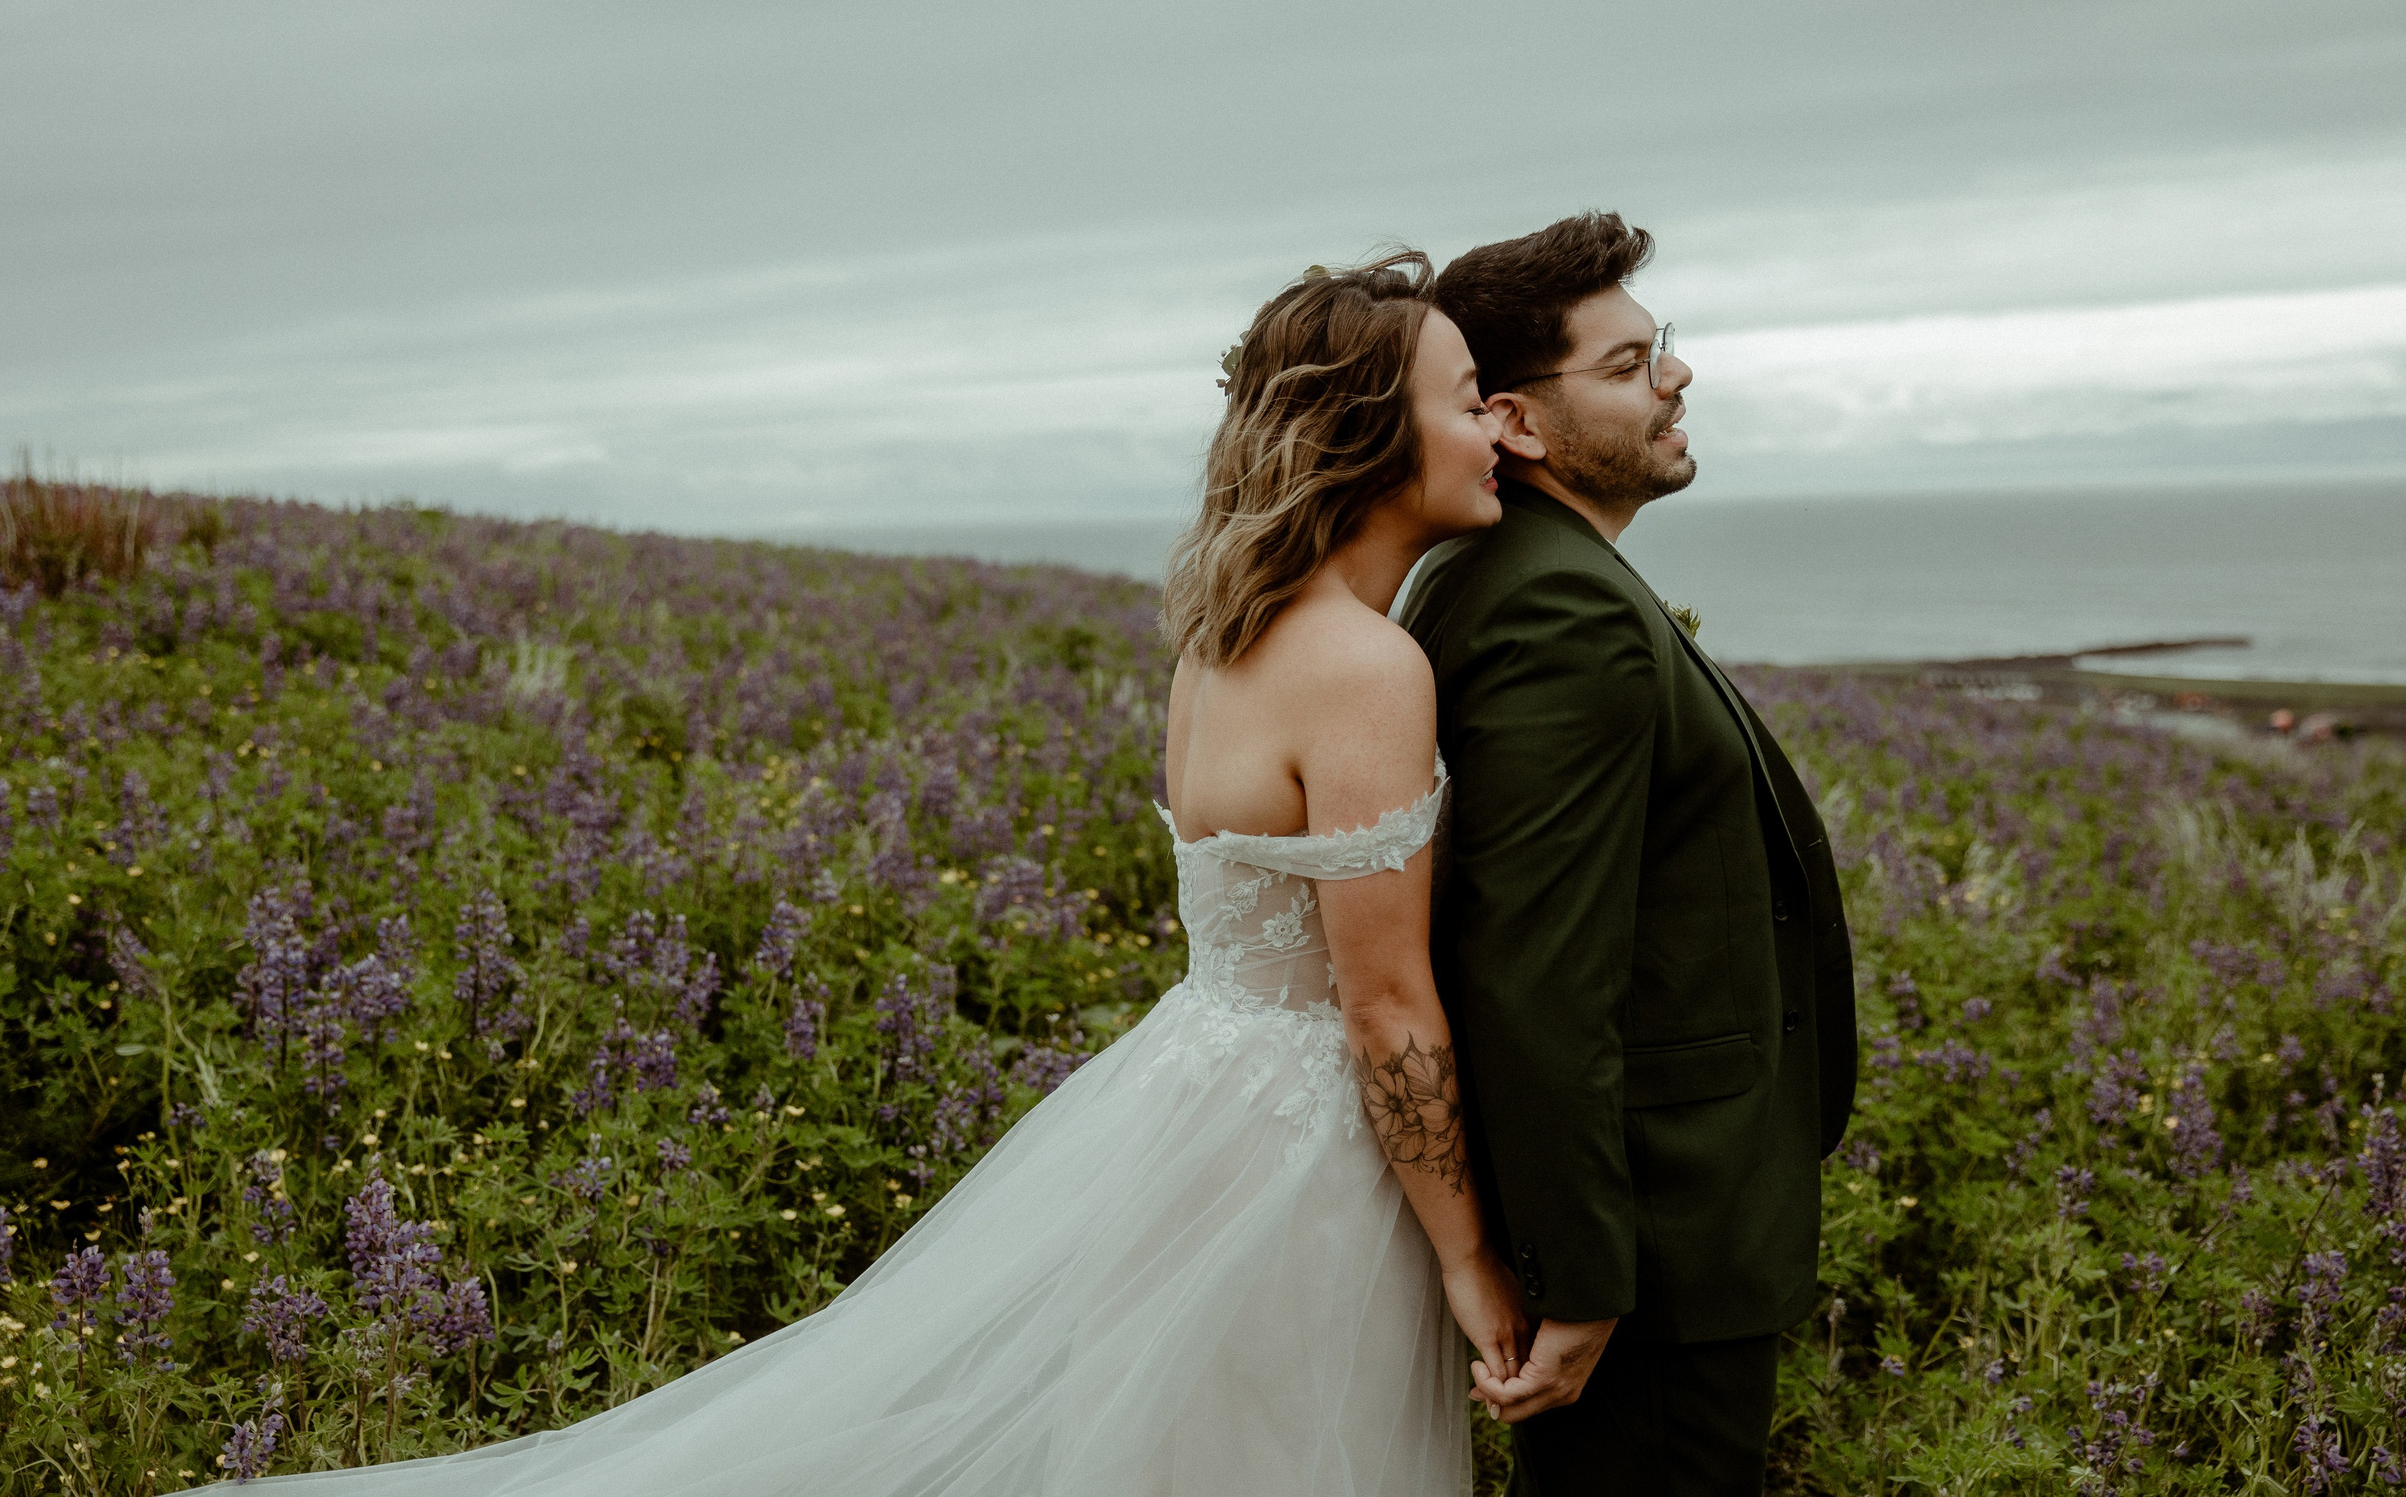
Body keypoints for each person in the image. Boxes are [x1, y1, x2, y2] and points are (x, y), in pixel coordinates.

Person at [200, 251, 1525, 1495]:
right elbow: (1380, 1003)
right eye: (1470, 401)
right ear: (1371, 433)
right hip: (1300, 1163)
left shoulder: (1220, 643)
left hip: (1190, 1112)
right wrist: (1470, 1256)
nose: (1500, 428)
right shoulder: (1366, 666)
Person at [1400, 213, 1860, 1497]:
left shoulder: (1524, 571)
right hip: (1657, 1239)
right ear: (1515, 422)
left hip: (1662, 1228)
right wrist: (1586, 1275)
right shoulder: (1556, 604)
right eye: (1626, 364)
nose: (1675, 376)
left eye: (1663, 348)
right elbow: (1536, 971)